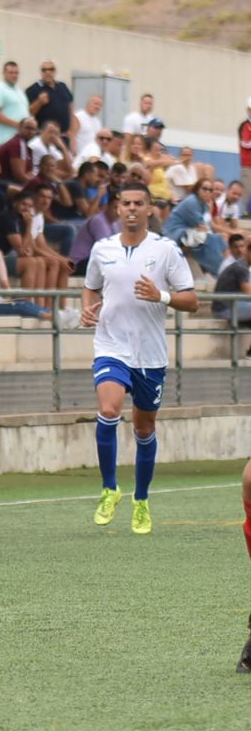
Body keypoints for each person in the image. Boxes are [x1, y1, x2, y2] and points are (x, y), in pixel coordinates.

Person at [81, 183, 197, 534]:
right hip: (111, 346)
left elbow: (191, 300)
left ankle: (141, 500)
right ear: (117, 208)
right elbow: (90, 286)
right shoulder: (102, 249)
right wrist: (87, 308)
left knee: (144, 428)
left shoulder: (166, 250)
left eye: (139, 203)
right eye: (126, 203)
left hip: (149, 355)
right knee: (109, 410)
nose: (132, 208)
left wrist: (160, 295)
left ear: (150, 209)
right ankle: (109, 488)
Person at [162, 179, 226, 276]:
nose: (207, 192)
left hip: (188, 231)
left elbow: (204, 226)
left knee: (218, 238)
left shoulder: (203, 204)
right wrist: (203, 228)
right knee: (209, 239)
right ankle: (218, 271)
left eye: (210, 190)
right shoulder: (191, 202)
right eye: (204, 189)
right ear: (197, 189)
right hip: (175, 233)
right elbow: (202, 226)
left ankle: (222, 267)